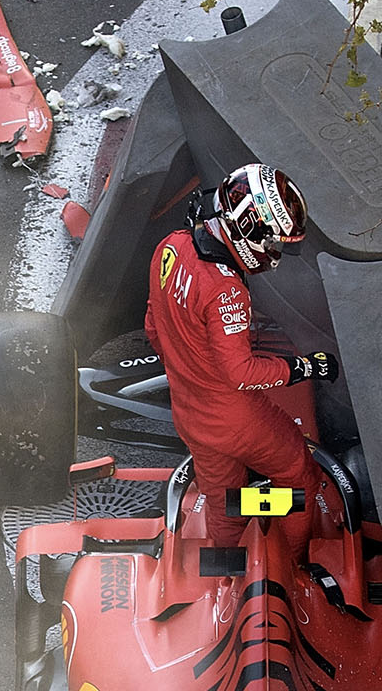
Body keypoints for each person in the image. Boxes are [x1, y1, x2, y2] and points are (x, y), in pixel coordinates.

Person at [142, 162, 344, 548]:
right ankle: (295, 559)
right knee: (300, 476)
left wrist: (189, 366)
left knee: (222, 501)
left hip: (189, 414)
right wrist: (306, 368)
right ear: (248, 231)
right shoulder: (227, 290)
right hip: (236, 417)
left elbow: (153, 325)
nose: (275, 252)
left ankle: (229, 575)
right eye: (273, 242)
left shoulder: (170, 246)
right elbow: (242, 372)